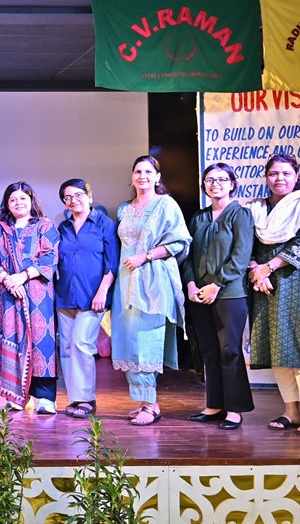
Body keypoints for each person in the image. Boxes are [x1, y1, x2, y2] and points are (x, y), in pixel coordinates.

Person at [247, 153, 300, 435]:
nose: (279, 178)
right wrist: (256, 270)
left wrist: (267, 268)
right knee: (278, 347)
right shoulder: (256, 209)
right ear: (266, 177)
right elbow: (247, 244)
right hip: (266, 284)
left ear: (296, 175)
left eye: (286, 173)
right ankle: (291, 412)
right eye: (273, 173)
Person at [112, 155, 191, 426]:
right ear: (132, 176)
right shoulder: (124, 209)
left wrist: (144, 257)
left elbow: (179, 242)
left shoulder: (166, 204)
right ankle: (144, 402)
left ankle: (151, 404)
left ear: (157, 177)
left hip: (152, 281)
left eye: (148, 172)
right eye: (137, 171)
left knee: (146, 340)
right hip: (125, 282)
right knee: (128, 340)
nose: (142, 176)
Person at [181, 163, 255, 430]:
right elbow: (187, 256)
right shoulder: (198, 218)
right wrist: (191, 284)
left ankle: (234, 410)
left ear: (232, 184)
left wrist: (217, 285)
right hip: (199, 294)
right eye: (210, 180)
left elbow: (241, 256)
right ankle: (214, 405)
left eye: (222, 179)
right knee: (209, 350)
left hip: (229, 294)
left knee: (230, 350)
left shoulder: (240, 214)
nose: (215, 184)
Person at [0, 181, 60, 414]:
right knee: (12, 340)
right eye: (13, 199)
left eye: (23, 198)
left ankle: (45, 398)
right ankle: (16, 396)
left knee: (41, 343)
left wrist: (22, 277)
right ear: (7, 204)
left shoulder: (44, 226)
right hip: (7, 296)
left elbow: (50, 257)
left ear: (31, 201)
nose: (18, 203)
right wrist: (7, 279)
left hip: (37, 294)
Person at [55, 178, 119, 419]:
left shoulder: (104, 224)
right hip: (65, 295)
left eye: (78, 195)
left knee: (82, 344)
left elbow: (111, 263)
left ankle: (87, 399)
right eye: (68, 197)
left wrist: (102, 291)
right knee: (67, 348)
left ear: (89, 196)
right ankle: (75, 398)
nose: (73, 200)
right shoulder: (63, 227)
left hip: (93, 296)